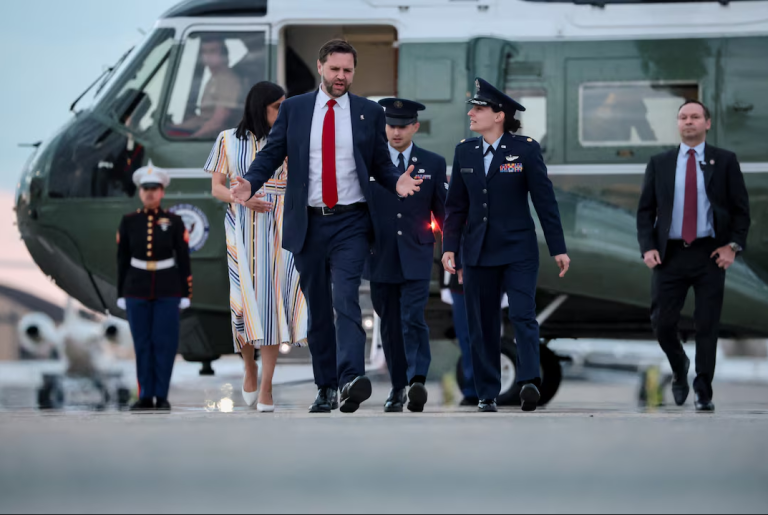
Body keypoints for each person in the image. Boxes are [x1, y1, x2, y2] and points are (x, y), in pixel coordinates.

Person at [230, 39, 423, 414]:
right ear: (320, 67)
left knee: (345, 299)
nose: (341, 76)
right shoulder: (296, 109)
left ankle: (350, 379)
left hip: (351, 221)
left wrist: (395, 182)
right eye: (335, 69)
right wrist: (250, 182)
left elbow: (380, 164)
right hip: (308, 223)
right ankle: (326, 386)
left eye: (347, 70)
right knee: (318, 308)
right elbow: (273, 153)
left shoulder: (369, 112)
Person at [442, 78, 570, 413]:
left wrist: (557, 247)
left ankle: (529, 382)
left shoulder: (525, 149)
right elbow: (456, 206)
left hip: (518, 250)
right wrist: (449, 247)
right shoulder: (464, 151)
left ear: (499, 115)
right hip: (478, 252)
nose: (471, 113)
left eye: (479, 108)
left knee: (522, 314)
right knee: (482, 323)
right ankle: (487, 392)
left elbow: (545, 201)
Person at [636, 100, 750, 412]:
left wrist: (732, 246)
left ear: (707, 123)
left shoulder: (724, 161)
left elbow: (741, 211)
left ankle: (703, 390)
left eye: (695, 117)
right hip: (670, 255)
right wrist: (648, 246)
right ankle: (679, 364)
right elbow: (645, 211)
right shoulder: (659, 163)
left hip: (709, 254)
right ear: (678, 124)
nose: (689, 121)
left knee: (707, 324)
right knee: (662, 323)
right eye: (683, 117)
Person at [205, 82, 308, 412]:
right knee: (242, 304)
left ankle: (267, 386)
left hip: (280, 224)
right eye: (278, 106)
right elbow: (217, 188)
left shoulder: (288, 138)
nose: (283, 111)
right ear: (260, 107)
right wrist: (242, 198)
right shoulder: (227, 139)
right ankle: (249, 366)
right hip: (242, 226)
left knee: (273, 304)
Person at [364, 98, 446, 413]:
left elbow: (443, 212)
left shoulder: (433, 163)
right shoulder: (370, 161)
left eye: (403, 126)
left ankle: (416, 381)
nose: (396, 132)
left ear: (415, 127)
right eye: (391, 126)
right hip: (380, 254)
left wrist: (453, 249)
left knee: (413, 317)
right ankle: (398, 387)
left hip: (417, 253)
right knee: (389, 324)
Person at [116, 164, 192, 412]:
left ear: (162, 191)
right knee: (142, 344)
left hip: (167, 289)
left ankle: (161, 395)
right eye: (145, 188)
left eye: (154, 188)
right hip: (136, 288)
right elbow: (122, 259)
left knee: (165, 343)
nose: (149, 193)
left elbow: (183, 259)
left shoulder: (174, 221)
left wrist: (185, 293)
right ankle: (145, 396)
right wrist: (121, 293)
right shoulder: (129, 222)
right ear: (140, 192)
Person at [168, 36, 243, 139]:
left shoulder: (227, 80)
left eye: (213, 51)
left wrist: (192, 139)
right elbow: (203, 118)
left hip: (216, 140)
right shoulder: (215, 78)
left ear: (223, 54)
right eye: (204, 52)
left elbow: (218, 121)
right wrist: (175, 127)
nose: (207, 56)